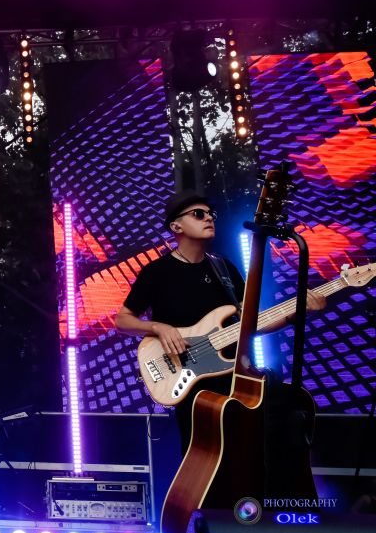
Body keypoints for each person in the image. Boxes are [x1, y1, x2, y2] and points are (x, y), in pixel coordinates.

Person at [114, 190, 324, 455]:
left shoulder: (224, 269)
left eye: (210, 214)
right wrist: (158, 327)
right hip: (188, 382)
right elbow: (122, 320)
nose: (208, 218)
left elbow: (250, 324)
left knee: (247, 454)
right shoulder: (157, 272)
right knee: (202, 458)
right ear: (176, 227)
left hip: (231, 380)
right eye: (198, 214)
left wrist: (296, 314)